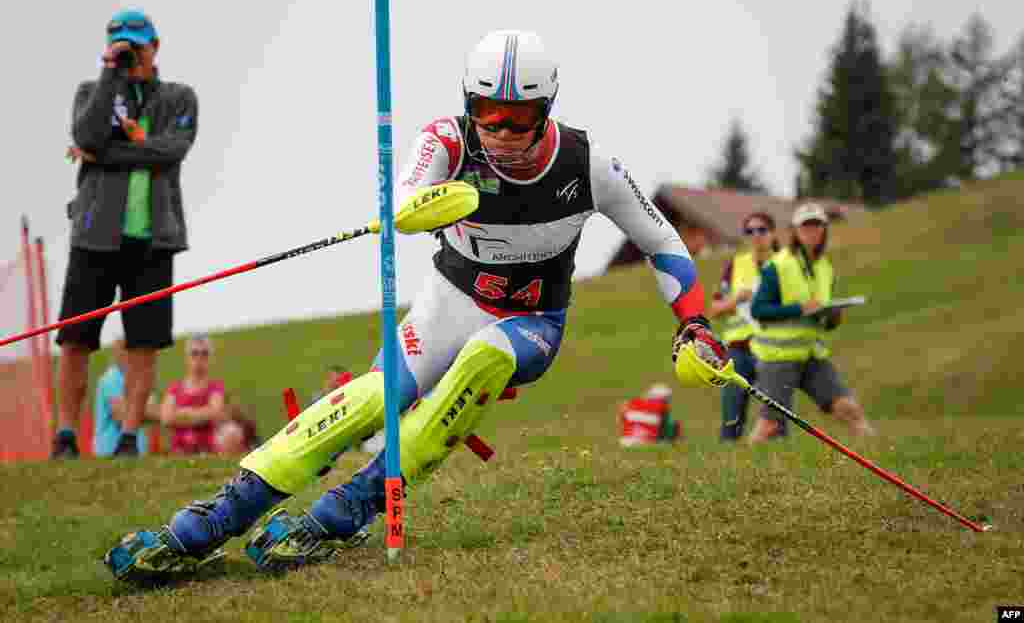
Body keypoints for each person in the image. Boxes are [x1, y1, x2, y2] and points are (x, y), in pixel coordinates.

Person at [103, 29, 728, 582]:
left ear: (546, 110)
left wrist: (694, 323)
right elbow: (405, 198)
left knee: (483, 360)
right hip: (449, 301)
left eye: (519, 117)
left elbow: (663, 242)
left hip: (531, 321)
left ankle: (344, 512)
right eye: (488, 113)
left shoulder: (590, 165)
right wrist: (419, 206)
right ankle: (212, 519)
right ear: (468, 105)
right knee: (374, 397)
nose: (503, 132)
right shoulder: (447, 140)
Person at [52, 9, 198, 459]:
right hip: (94, 235)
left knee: (144, 343)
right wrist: (109, 75)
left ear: (155, 46)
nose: (131, 53)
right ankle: (66, 437)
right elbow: (88, 136)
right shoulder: (91, 92)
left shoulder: (179, 97)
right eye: (122, 46)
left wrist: (107, 153)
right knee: (75, 339)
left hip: (155, 239)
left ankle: (132, 437)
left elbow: (174, 150)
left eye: (137, 45)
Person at [746, 203, 875, 443]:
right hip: (777, 357)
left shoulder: (825, 268)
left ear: (824, 230)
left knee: (848, 409)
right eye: (806, 226)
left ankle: (880, 453)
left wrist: (832, 317)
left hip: (811, 354)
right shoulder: (778, 266)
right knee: (770, 424)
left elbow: (821, 319)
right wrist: (800, 309)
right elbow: (758, 310)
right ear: (794, 231)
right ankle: (740, 467)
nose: (812, 231)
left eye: (816, 226)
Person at [706, 212, 778, 441]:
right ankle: (728, 459)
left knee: (776, 416)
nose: (756, 235)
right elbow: (714, 309)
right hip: (738, 349)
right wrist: (735, 300)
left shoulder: (785, 264)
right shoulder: (736, 265)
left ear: (773, 233)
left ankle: (781, 461)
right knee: (732, 417)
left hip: (774, 346)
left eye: (762, 230)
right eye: (750, 231)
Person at [161, 335, 238, 456]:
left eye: (204, 353)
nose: (199, 358)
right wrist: (202, 414)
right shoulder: (174, 388)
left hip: (208, 450)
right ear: (187, 357)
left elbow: (215, 413)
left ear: (210, 358)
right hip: (179, 451)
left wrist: (182, 414)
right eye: (194, 353)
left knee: (233, 431)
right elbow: (166, 418)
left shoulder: (216, 387)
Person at [93, 339, 162, 457]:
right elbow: (120, 414)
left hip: (135, 452)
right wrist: (161, 413)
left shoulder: (140, 379)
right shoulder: (111, 378)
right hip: (110, 451)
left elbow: (153, 410)